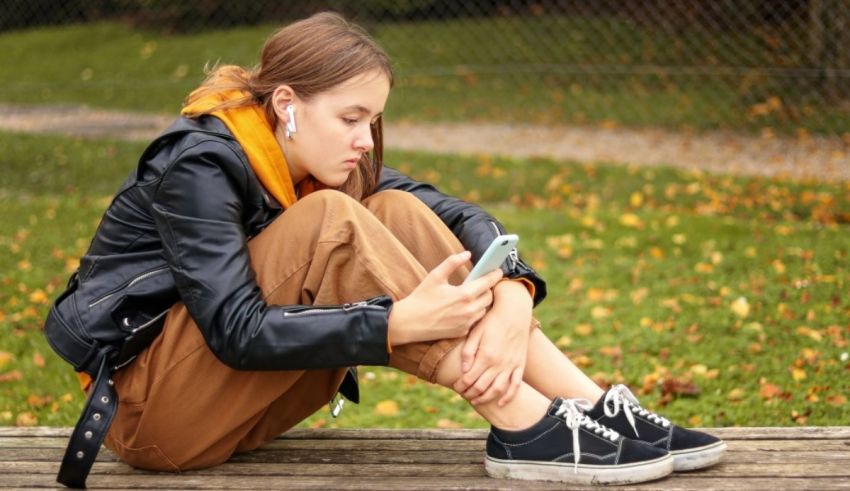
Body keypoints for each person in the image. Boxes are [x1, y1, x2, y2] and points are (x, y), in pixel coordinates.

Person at [44, 12, 725, 486]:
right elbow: (233, 329)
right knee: (332, 222)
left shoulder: (323, 160)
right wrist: (397, 323)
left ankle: (588, 402)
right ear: (286, 104)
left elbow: (456, 213)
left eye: (372, 120)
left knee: (394, 206)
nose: (366, 140)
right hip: (156, 414)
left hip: (238, 403)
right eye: (350, 119)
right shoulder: (201, 162)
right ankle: (522, 421)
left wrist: (514, 289)